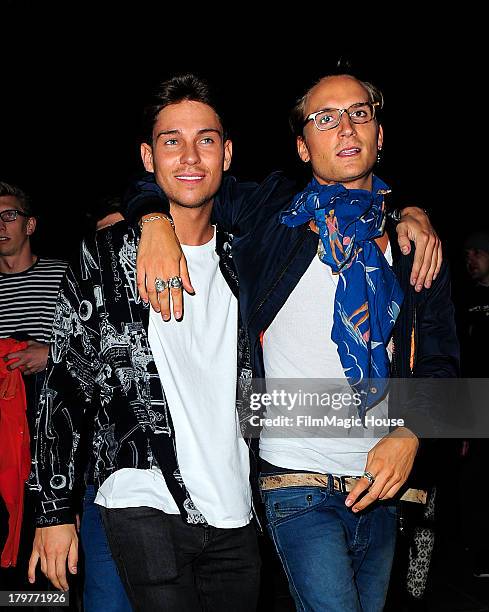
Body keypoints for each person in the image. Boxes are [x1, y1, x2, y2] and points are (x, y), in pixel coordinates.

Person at [126, 72, 458, 611]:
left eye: (359, 113)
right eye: (324, 118)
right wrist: (153, 221)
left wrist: (413, 432)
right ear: (303, 146)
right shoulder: (272, 215)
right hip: (293, 479)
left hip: (384, 486)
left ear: (380, 134)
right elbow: (178, 175)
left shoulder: (413, 246)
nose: (345, 128)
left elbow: (445, 363)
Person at [28, 75, 260, 612]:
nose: (189, 156)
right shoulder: (107, 256)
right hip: (141, 492)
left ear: (226, 153)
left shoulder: (247, 258)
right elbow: (66, 382)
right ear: (147, 156)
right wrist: (55, 511)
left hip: (236, 506)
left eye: (205, 139)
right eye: (170, 141)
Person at [0, 182, 67, 593]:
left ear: (30, 224)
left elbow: (93, 344)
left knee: (47, 553)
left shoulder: (63, 273)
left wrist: (51, 354)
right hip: (5, 436)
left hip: (52, 429)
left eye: (8, 215)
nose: (0, 225)